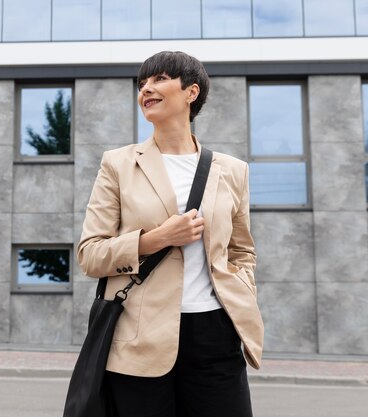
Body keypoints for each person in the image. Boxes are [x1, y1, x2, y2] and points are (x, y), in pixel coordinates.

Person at [77, 51, 264, 417]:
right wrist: (156, 238)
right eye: (142, 83)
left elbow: (241, 251)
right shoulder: (118, 163)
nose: (146, 88)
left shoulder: (232, 170)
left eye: (159, 79)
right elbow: (90, 254)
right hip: (140, 335)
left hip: (215, 331)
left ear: (191, 92)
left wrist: (240, 292)